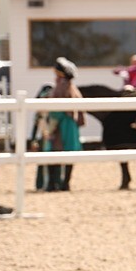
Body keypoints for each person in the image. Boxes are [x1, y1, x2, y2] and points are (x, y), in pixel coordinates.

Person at [36, 58, 86, 192]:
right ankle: (65, 182)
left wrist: (50, 128)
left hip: (61, 126)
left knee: (53, 151)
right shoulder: (73, 87)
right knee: (70, 152)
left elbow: (55, 111)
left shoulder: (60, 87)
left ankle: (53, 183)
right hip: (71, 125)